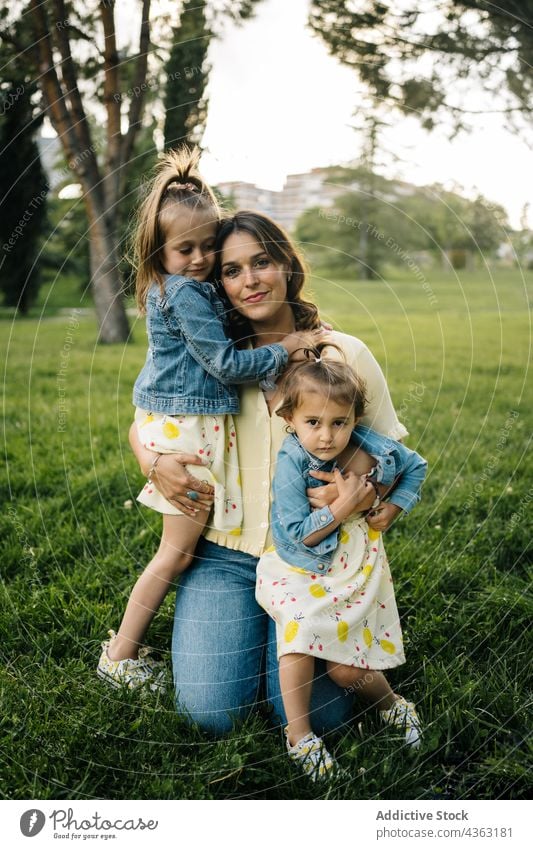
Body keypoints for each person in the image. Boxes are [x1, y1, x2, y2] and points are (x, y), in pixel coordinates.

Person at [129, 210, 421, 744]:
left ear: (286, 263)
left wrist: (363, 494)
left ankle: (296, 657)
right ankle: (249, 633)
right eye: (232, 270)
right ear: (216, 283)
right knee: (212, 715)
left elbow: (394, 456)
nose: (250, 280)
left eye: (261, 261)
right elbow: (144, 421)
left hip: (317, 560)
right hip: (226, 557)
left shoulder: (342, 354)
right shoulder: (213, 357)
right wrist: (153, 462)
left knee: (332, 718)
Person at [97, 150, 323, 689]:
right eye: (184, 249)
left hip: (183, 431)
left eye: (207, 247)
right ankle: (118, 658)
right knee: (174, 556)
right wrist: (286, 348)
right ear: (159, 251)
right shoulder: (184, 294)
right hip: (186, 438)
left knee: (181, 551)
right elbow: (224, 364)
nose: (199, 259)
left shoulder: (186, 289)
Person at [255, 354, 427, 781]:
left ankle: (392, 705)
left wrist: (395, 507)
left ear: (354, 418)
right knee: (296, 633)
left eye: (339, 422)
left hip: (355, 568)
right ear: (290, 418)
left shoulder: (371, 443)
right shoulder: (292, 462)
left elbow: (415, 466)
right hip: (303, 568)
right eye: (313, 422)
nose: (327, 436)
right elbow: (298, 534)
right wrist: (346, 504)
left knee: (347, 669)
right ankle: (301, 738)